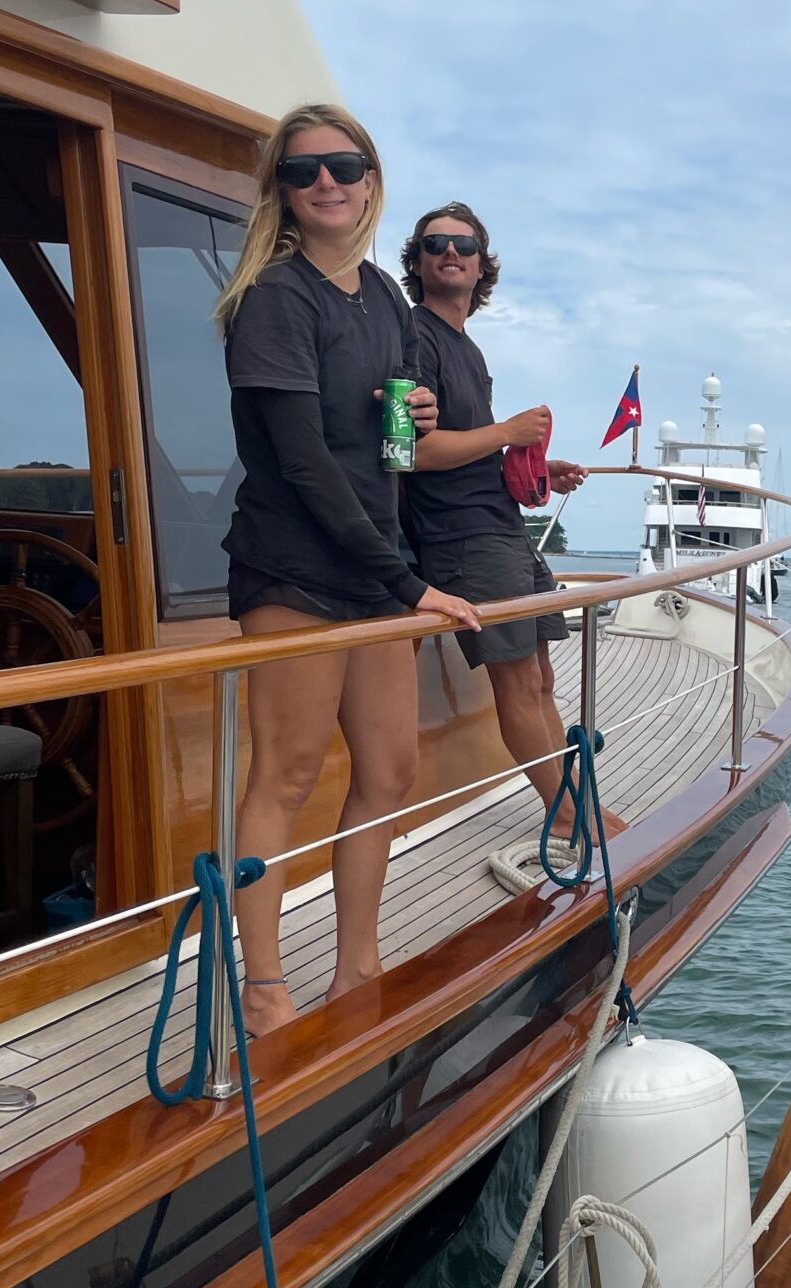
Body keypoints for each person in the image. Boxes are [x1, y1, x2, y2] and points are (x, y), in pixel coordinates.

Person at [214, 104, 481, 1035]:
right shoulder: (274, 300)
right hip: (294, 569)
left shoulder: (387, 303)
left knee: (390, 767)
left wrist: (407, 413)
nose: (325, 181)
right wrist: (410, 584)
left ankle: (356, 962)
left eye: (343, 164)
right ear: (281, 195)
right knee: (285, 774)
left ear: (370, 179)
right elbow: (300, 462)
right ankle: (262, 985)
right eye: (303, 171)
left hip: (374, 566)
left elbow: (393, 455)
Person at [396, 202, 623, 837]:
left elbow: (466, 449)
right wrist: (508, 431)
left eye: (464, 245)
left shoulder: (465, 347)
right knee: (520, 682)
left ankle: (573, 805)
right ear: (416, 261)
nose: (451, 252)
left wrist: (537, 470)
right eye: (436, 243)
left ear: (481, 265)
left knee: (542, 678)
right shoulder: (416, 338)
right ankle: (571, 818)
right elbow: (412, 454)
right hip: (462, 537)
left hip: (497, 525)